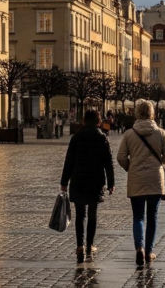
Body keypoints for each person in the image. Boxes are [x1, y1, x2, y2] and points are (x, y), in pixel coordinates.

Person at [116, 99, 165, 268]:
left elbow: (120, 157)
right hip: (155, 179)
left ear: (137, 113)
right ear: (152, 114)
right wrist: (159, 163)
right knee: (152, 217)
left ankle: (139, 248)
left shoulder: (129, 134)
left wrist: (131, 167)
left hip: (136, 179)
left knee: (138, 217)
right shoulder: (161, 133)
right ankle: (149, 252)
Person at [60, 109, 115, 264]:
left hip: (78, 180)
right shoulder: (102, 138)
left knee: (80, 215)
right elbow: (108, 163)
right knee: (92, 214)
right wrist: (111, 183)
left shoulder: (76, 138)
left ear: (84, 120)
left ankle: (79, 246)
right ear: (98, 121)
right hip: (95, 180)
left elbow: (68, 161)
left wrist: (64, 182)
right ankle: (90, 245)